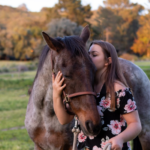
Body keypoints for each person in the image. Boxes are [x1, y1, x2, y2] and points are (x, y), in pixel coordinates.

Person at [52, 40, 142, 150]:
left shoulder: (119, 89)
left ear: (108, 61)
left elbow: (135, 124)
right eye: (88, 54)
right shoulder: (85, 89)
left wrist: (120, 139)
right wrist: (56, 94)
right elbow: (63, 120)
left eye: (94, 55)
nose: (89, 57)